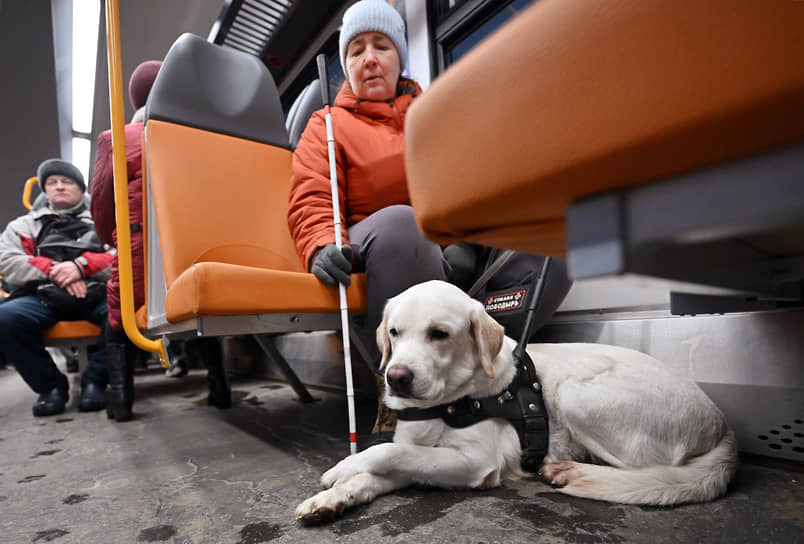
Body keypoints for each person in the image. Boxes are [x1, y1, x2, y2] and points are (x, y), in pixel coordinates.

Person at [289, 0, 448, 368]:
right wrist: (321, 244)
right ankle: (404, 381)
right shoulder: (327, 124)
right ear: (347, 66)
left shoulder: (433, 116)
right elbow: (312, 194)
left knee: (547, 230)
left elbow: (464, 180)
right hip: (372, 244)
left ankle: (492, 365)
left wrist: (467, 241)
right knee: (402, 225)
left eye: (381, 45)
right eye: (357, 51)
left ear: (399, 57)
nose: (370, 59)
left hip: (444, 243)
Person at [91, 60, 231, 422]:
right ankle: (220, 388)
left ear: (136, 100)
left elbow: (103, 212)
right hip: (198, 257)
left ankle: (121, 400)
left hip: (142, 264)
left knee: (117, 318)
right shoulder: (203, 139)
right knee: (200, 307)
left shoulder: (115, 139)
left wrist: (118, 238)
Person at [0, 159, 114, 417]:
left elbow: (123, 256)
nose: (59, 187)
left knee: (124, 315)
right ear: (45, 190)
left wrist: (81, 267)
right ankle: (50, 387)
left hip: (95, 292)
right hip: (42, 296)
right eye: (52, 183)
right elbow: (7, 261)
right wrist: (57, 271)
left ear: (81, 189)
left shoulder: (105, 222)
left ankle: (96, 381)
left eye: (67, 182)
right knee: (5, 319)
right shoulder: (22, 226)